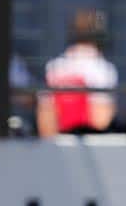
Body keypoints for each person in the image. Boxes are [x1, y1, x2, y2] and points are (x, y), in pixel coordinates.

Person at [36, 8, 118, 136]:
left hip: (58, 145)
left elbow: (45, 118)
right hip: (88, 147)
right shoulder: (102, 69)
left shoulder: (54, 66)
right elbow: (102, 120)